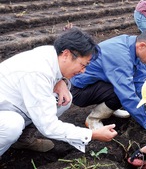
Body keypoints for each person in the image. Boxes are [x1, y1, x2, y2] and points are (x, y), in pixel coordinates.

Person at [0, 28, 118, 157]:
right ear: (66, 54)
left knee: (62, 99)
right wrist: (92, 134)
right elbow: (48, 126)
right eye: (83, 65)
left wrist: (62, 80)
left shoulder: (52, 54)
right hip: (7, 112)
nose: (83, 71)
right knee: (12, 125)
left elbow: (55, 76)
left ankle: (23, 140)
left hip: (13, 105)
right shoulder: (36, 73)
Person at [71, 27, 146, 136]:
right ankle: (93, 119)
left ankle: (109, 107)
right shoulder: (120, 56)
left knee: (124, 88)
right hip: (79, 91)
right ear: (142, 46)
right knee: (121, 93)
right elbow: (128, 96)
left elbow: (140, 83)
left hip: (99, 82)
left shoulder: (136, 48)